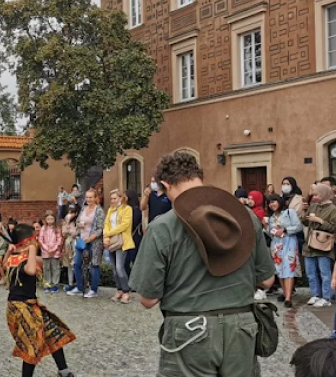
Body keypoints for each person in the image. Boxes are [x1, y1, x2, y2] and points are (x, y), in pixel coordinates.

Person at [129, 152, 275, 377]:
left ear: (166, 184)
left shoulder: (163, 227)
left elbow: (148, 299)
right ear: (199, 177)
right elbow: (267, 280)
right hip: (242, 328)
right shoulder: (244, 216)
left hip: (189, 329)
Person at [3, 224, 76, 377]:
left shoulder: (16, 256)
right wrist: (30, 249)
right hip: (21, 308)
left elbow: (39, 262)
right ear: (29, 241)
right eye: (34, 238)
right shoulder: (21, 258)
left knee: (53, 332)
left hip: (30, 305)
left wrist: (22, 251)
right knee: (32, 343)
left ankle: (64, 371)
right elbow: (30, 270)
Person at [265, 194, 302, 308]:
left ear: (279, 201)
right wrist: (267, 228)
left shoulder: (289, 212)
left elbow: (298, 226)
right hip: (276, 244)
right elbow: (270, 233)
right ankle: (285, 293)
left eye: (274, 201)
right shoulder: (271, 218)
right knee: (279, 269)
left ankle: (288, 298)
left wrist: (285, 230)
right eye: (270, 203)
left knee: (289, 267)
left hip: (289, 242)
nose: (272, 204)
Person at [303, 183, 336, 308]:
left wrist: (319, 220)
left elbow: (333, 227)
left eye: (317, 194)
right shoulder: (313, 206)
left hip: (324, 245)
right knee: (311, 272)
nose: (314, 197)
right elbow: (304, 221)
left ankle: (326, 297)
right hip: (310, 243)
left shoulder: (333, 209)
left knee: (324, 272)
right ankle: (315, 294)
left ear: (324, 194)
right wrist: (304, 211)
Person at [66, 189, 105, 298]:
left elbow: (100, 228)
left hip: (94, 242)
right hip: (82, 240)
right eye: (87, 197)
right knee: (77, 264)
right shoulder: (83, 208)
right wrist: (79, 225)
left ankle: (93, 290)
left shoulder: (99, 211)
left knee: (94, 265)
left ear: (95, 198)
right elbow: (77, 222)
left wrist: (91, 238)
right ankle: (79, 287)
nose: (88, 199)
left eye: (91, 197)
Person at [103, 189, 134, 304]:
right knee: (114, 269)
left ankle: (126, 291)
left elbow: (124, 225)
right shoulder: (111, 210)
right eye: (111, 198)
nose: (113, 200)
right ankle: (119, 289)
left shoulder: (127, 209)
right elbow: (106, 224)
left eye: (115, 198)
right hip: (111, 242)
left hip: (122, 242)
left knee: (120, 268)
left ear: (121, 198)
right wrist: (106, 237)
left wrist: (109, 233)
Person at [39, 210, 63, 293]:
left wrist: (53, 249)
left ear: (54, 219)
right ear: (45, 220)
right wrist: (46, 249)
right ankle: (47, 284)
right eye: (48, 219)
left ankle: (55, 284)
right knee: (46, 268)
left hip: (55, 252)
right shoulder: (43, 228)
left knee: (55, 268)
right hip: (46, 252)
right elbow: (41, 240)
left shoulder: (57, 228)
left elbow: (59, 240)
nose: (50, 221)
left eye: (51, 219)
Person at [124, 189, 143, 278]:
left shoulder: (135, 210)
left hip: (134, 238)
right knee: (125, 262)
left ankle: (134, 281)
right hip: (128, 238)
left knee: (133, 260)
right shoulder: (125, 209)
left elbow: (132, 224)